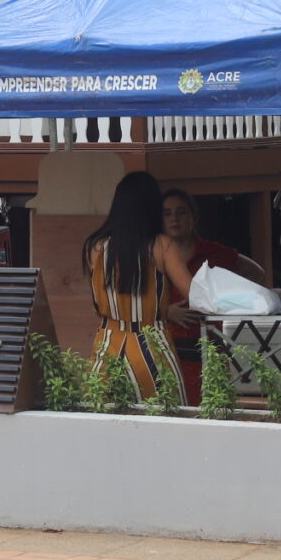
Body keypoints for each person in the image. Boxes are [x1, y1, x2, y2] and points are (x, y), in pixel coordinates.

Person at [81, 171, 196, 402]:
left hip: (107, 343)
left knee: (99, 424)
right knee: (166, 421)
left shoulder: (95, 246)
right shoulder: (162, 245)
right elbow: (194, 294)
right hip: (152, 346)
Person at [160, 187, 268, 401]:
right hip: (169, 355)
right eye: (167, 213)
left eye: (181, 212)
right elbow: (133, 299)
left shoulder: (215, 253)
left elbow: (257, 273)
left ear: (193, 217)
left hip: (212, 353)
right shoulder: (153, 255)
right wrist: (165, 311)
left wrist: (227, 302)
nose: (174, 219)